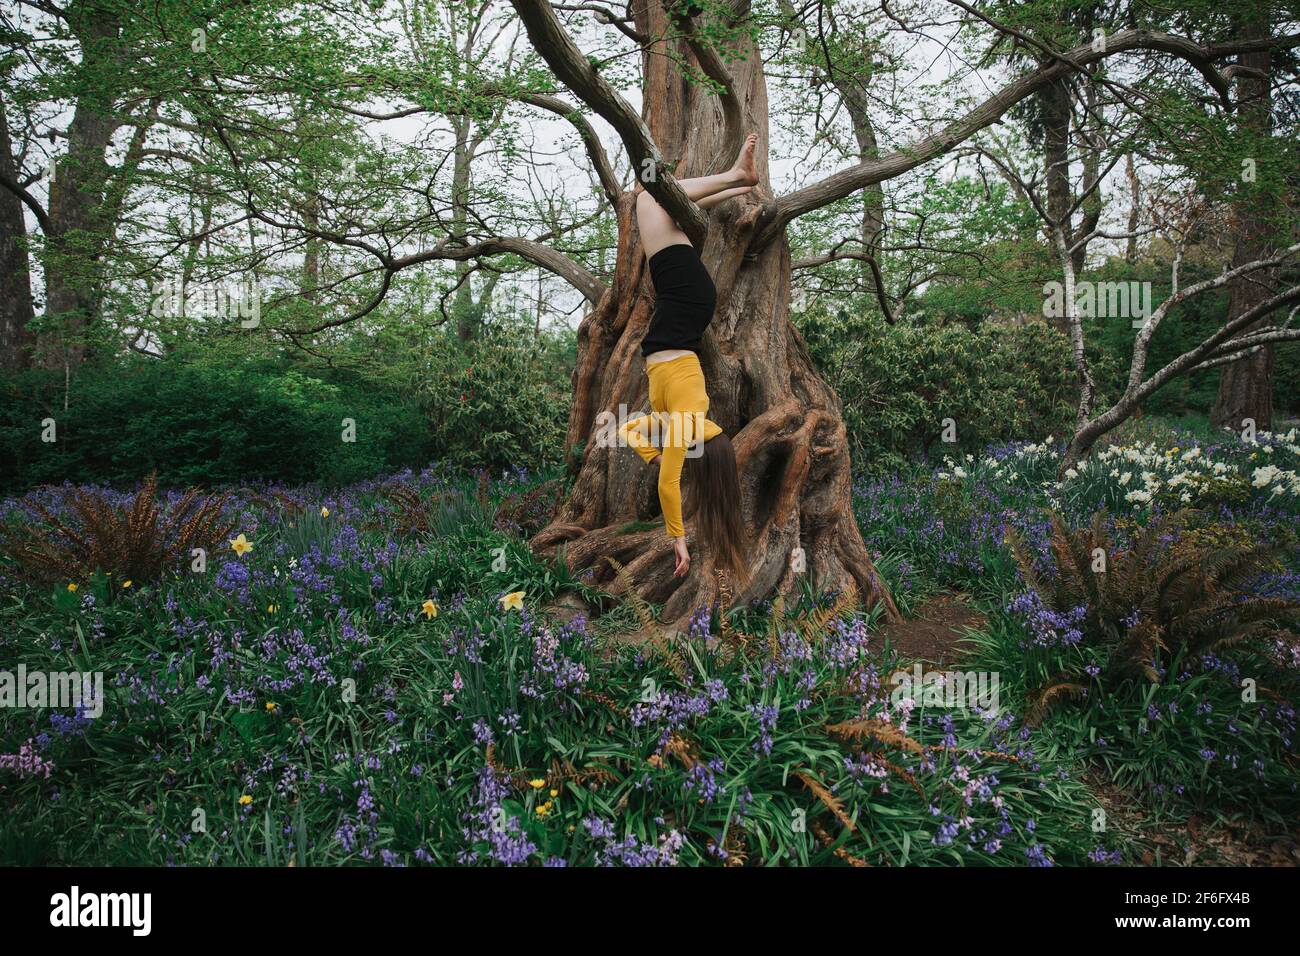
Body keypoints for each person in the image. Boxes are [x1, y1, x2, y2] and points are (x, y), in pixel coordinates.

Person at [618, 133, 759, 584]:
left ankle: (740, 184)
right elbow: (668, 487)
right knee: (647, 196)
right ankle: (737, 175)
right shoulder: (685, 425)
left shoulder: (678, 424)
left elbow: (628, 429)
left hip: (682, 310)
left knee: (660, 206)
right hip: (682, 310)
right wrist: (677, 537)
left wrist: (655, 456)